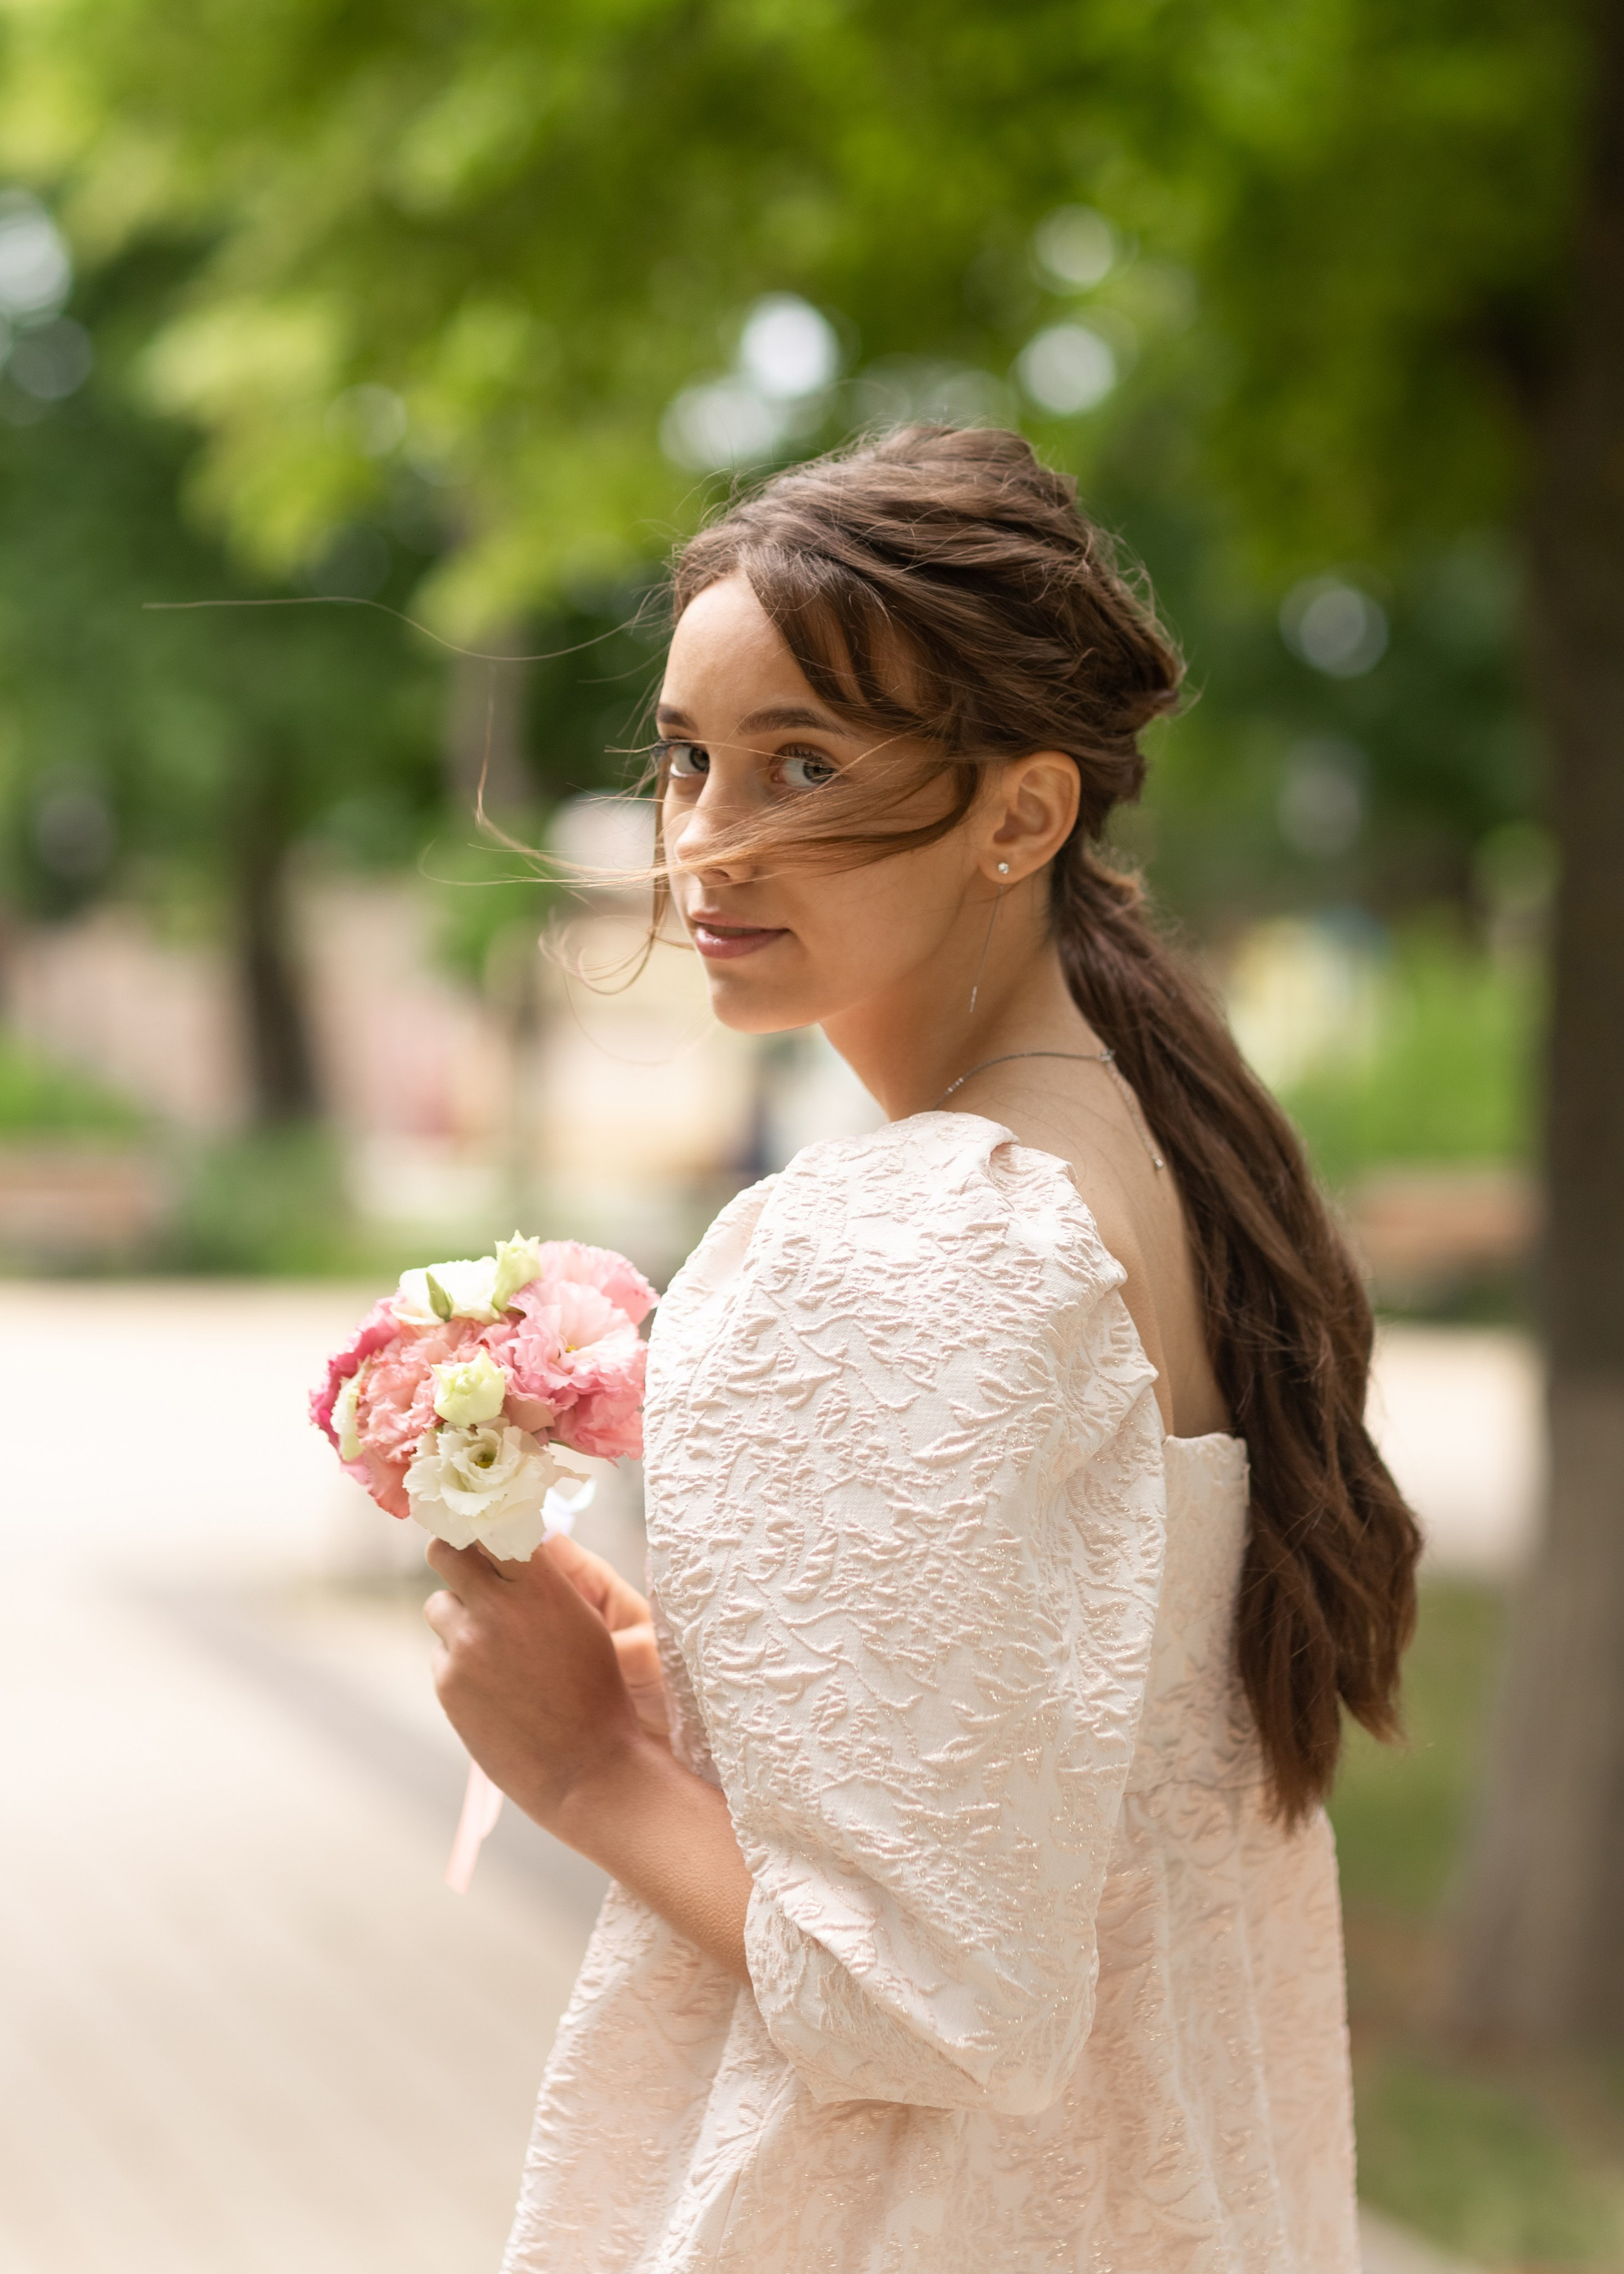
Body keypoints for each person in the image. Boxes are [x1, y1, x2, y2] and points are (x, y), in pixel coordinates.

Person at [422, 424, 1421, 2272]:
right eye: (687, 758)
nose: (708, 840)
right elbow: (1054, 1764)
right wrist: (716, 1691)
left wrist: (585, 1767)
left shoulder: (903, 1236)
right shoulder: (1159, 1171)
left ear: (1019, 815)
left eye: (803, 764)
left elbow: (933, 1999)